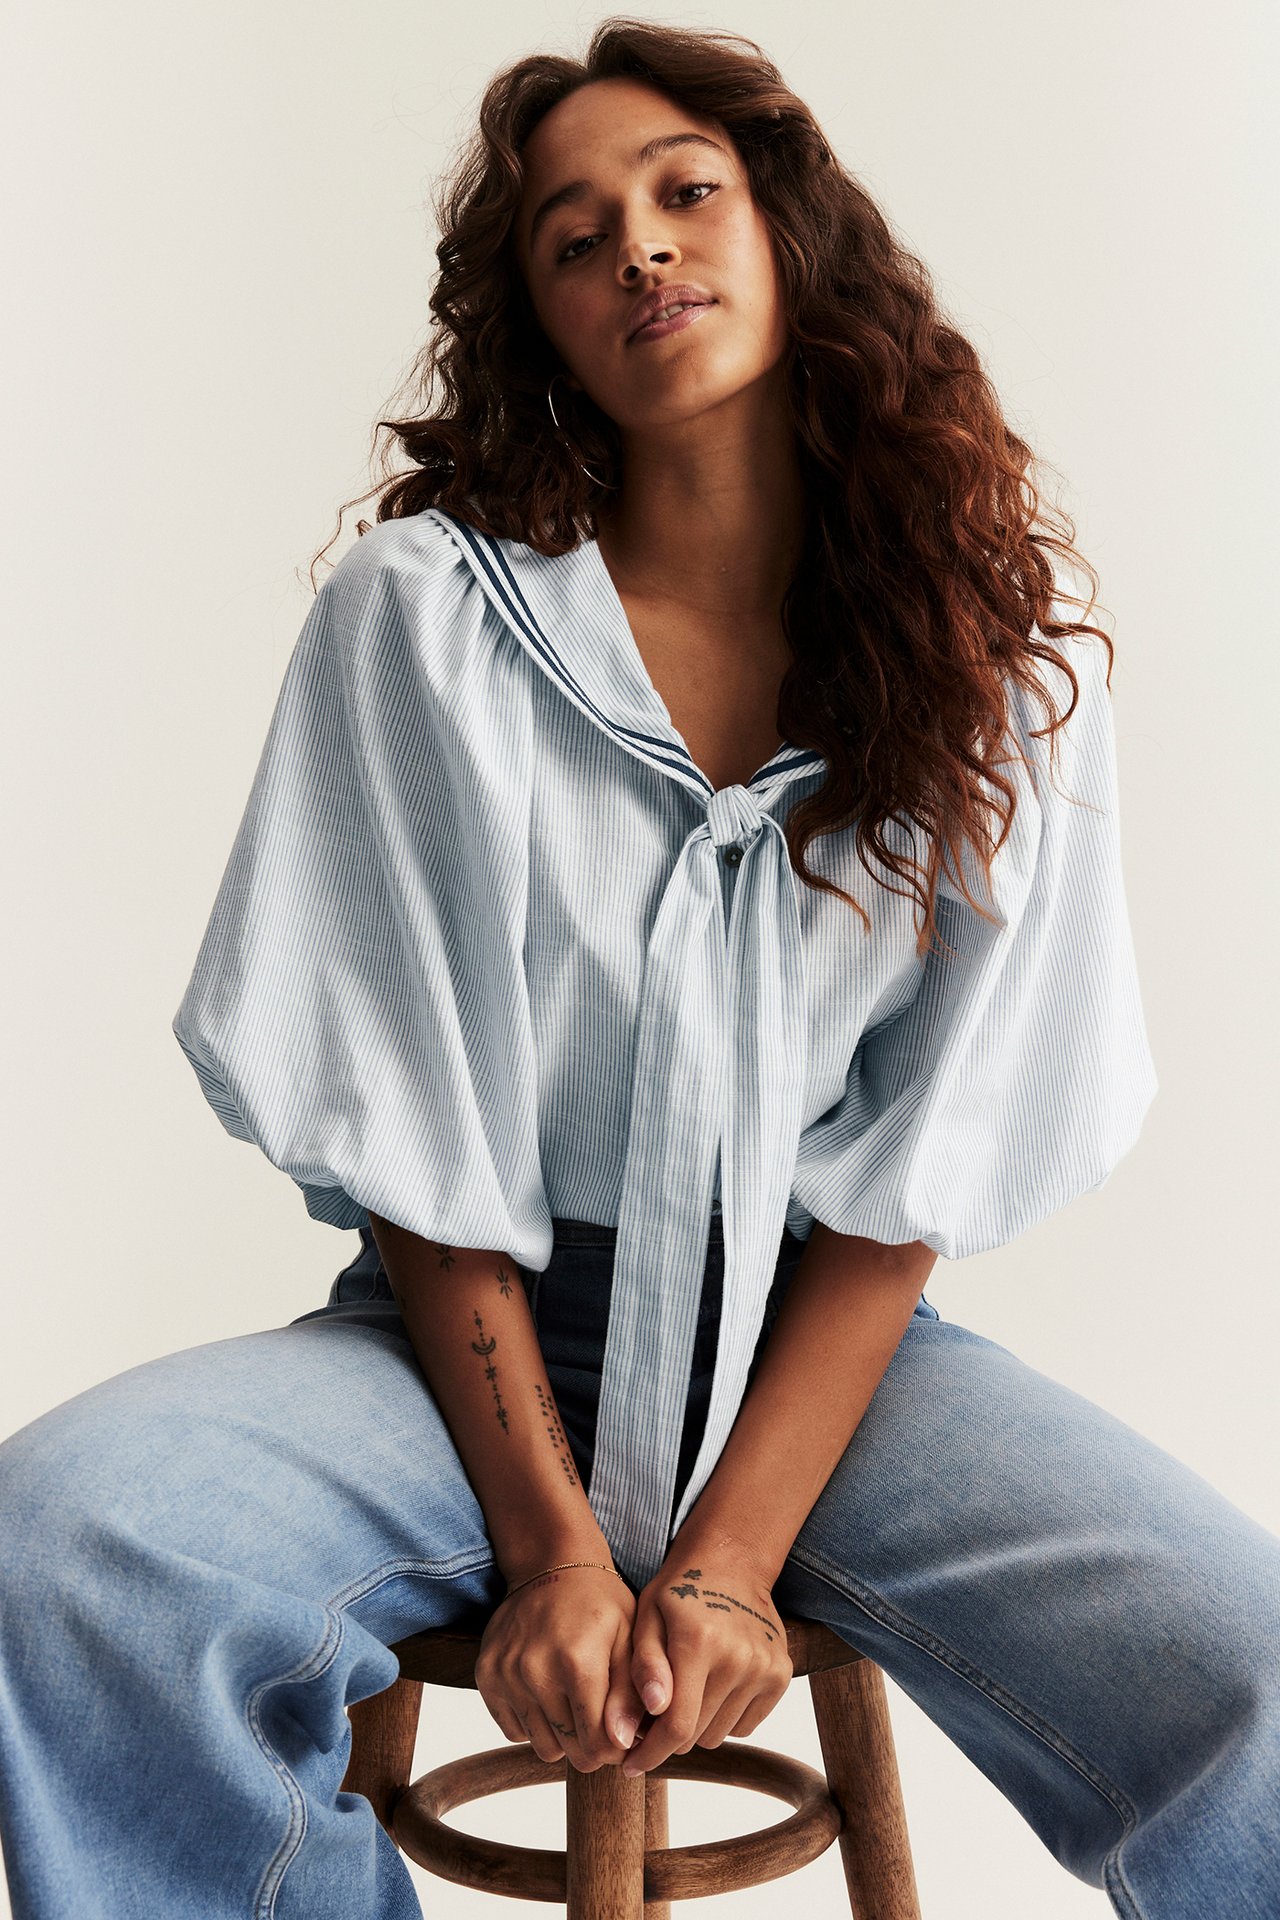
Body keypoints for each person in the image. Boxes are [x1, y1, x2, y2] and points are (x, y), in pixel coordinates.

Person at [2, 18, 1277, 1920]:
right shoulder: (425, 626)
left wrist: (721, 1563)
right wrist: (554, 1553)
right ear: (541, 322)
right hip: (465, 1342)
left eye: (687, 196)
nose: (642, 254)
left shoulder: (1007, 662)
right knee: (67, 1545)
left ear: (793, 234)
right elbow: (412, 1133)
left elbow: (912, 1183)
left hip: (827, 1365)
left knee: (1248, 1669)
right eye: (576, 239)